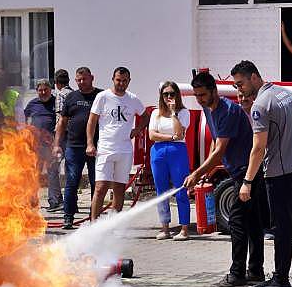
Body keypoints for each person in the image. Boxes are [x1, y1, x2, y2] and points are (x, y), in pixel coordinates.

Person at [234, 60, 292, 287]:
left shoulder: (260, 105)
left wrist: (247, 182)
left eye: (240, 84)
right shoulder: (285, 93)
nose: (239, 90)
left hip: (278, 173)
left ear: (254, 77)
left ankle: (280, 279)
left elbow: (258, 148)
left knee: (282, 227)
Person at [183, 70, 265, 287]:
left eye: (202, 95)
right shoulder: (208, 108)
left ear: (214, 91)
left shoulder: (228, 111)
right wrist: (208, 170)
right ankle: (256, 271)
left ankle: (237, 274)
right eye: (196, 95)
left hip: (247, 172)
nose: (199, 99)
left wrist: (196, 173)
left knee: (237, 222)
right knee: (252, 222)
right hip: (239, 170)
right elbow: (215, 141)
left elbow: (220, 151)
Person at [87, 67, 149, 221]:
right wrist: (90, 143)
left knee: (119, 188)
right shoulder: (102, 97)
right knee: (100, 187)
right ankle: (93, 224)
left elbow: (146, 116)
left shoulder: (133, 99)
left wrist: (138, 129)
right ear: (113, 79)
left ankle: (113, 224)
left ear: (129, 81)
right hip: (105, 149)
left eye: (124, 81)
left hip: (125, 150)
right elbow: (92, 121)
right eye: (118, 80)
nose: (121, 83)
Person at [52, 67, 102, 229]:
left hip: (97, 147)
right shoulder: (71, 97)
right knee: (72, 183)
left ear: (92, 78)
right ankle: (68, 217)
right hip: (74, 147)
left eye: (84, 79)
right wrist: (57, 144)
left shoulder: (101, 96)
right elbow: (62, 123)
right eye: (78, 80)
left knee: (97, 183)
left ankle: (94, 218)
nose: (81, 83)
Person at [149, 81, 191, 241]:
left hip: (177, 151)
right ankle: (165, 227)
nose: (168, 97)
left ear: (177, 95)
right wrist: (170, 137)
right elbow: (152, 135)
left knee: (181, 188)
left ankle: (184, 229)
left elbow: (180, 133)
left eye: (171, 94)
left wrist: (174, 113)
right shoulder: (155, 113)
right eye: (165, 94)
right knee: (161, 191)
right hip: (158, 151)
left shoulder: (183, 112)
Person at [237, 90, 274, 240]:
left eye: (245, 96)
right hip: (243, 163)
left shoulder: (258, 112)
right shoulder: (236, 115)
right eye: (240, 96)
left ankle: (266, 227)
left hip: (261, 159)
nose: (243, 99)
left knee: (262, 196)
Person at [24, 79, 61, 211]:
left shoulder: (56, 102)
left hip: (52, 144)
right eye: (40, 90)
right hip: (35, 145)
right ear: (37, 91)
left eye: (46, 90)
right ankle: (31, 200)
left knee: (53, 172)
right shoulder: (32, 104)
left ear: (51, 90)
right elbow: (23, 119)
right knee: (34, 173)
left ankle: (55, 201)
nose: (43, 92)